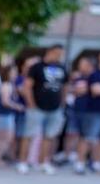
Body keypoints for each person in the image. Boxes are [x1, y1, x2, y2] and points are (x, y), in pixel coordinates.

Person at [19, 44, 68, 175]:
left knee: (50, 136)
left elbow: (65, 87)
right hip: (37, 107)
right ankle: (23, 162)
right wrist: (31, 104)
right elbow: (27, 86)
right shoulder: (37, 67)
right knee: (29, 135)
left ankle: (43, 163)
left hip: (55, 107)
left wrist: (62, 103)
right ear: (50, 52)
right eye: (57, 53)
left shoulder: (62, 68)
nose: (59, 56)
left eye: (61, 54)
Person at [63, 55, 94, 169]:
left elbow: (88, 90)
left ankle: (85, 158)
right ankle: (68, 156)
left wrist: (81, 90)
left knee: (87, 136)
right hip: (76, 109)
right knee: (71, 133)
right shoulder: (77, 78)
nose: (80, 66)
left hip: (90, 111)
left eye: (83, 64)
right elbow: (71, 89)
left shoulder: (94, 77)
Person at [0, 64, 23, 167]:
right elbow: (5, 101)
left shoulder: (10, 85)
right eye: (13, 72)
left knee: (6, 138)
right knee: (3, 138)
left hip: (7, 115)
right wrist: (17, 106)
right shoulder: (6, 85)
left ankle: (0, 158)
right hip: (4, 115)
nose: (15, 74)